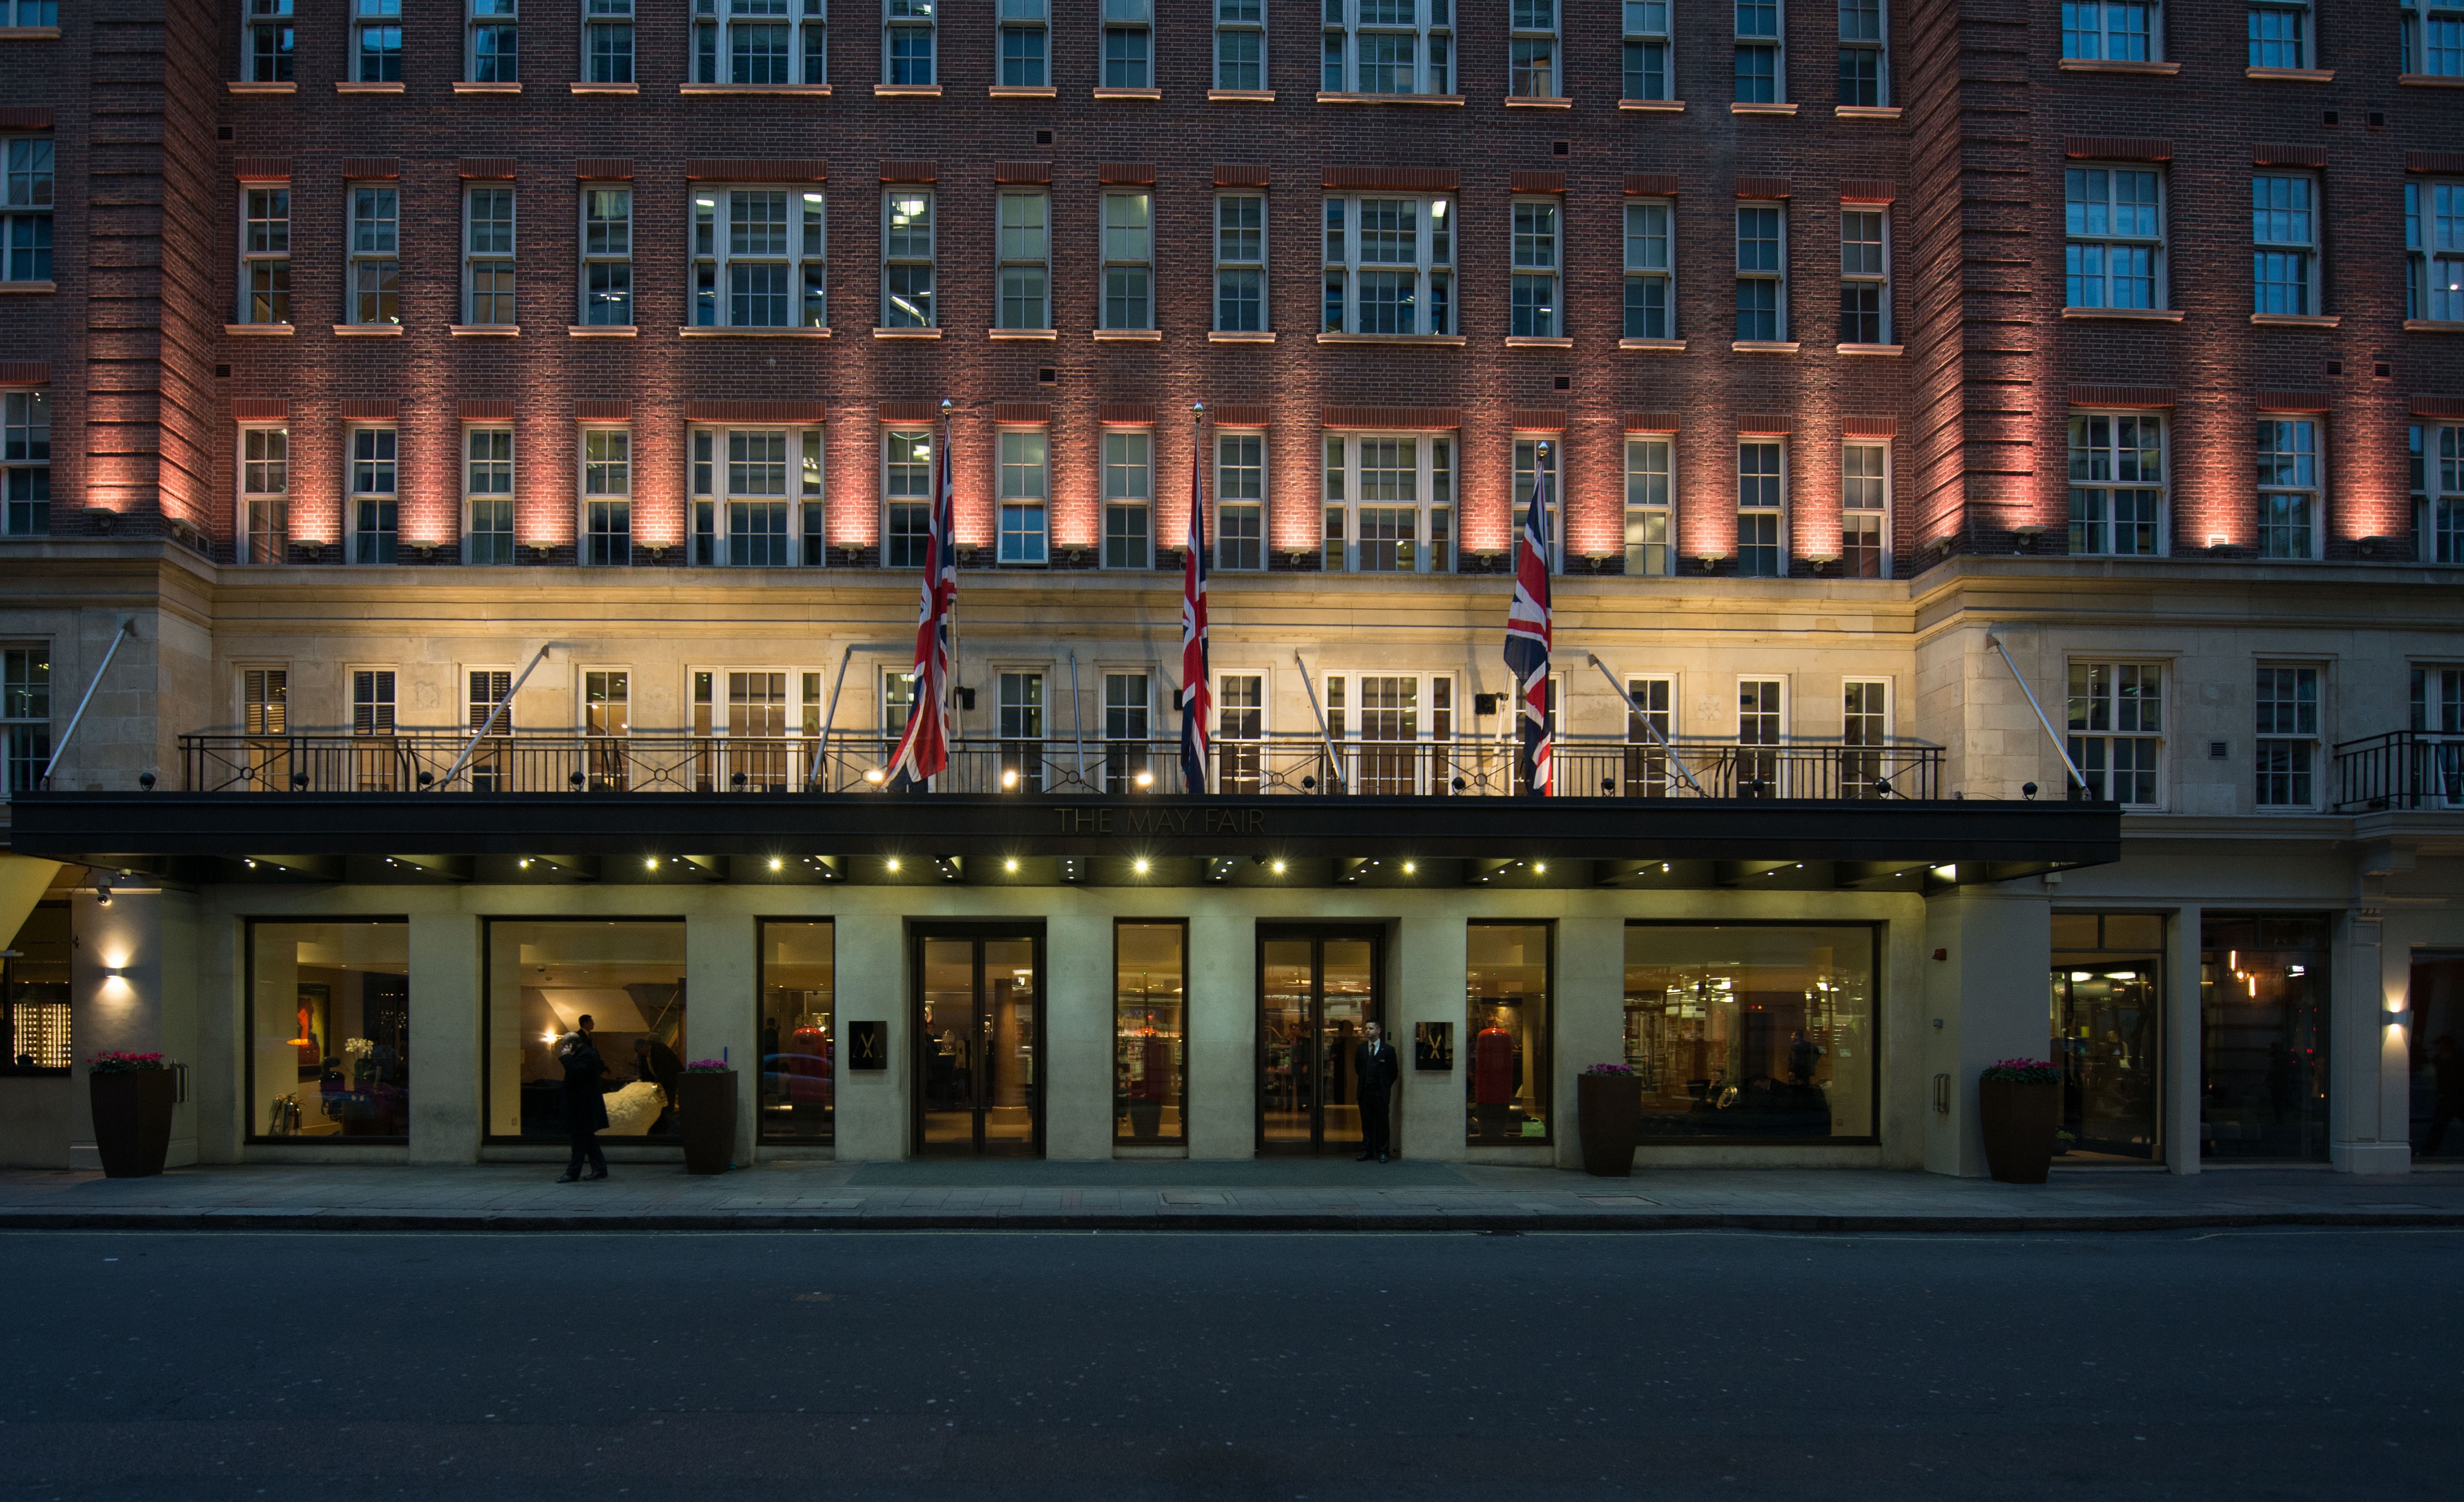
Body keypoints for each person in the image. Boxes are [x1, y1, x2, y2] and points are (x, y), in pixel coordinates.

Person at [557, 1014, 611, 1182]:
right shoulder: (586, 1053)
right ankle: (600, 1168)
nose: (564, 1049)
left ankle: (573, 1172)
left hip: (583, 1106)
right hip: (583, 1105)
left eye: (565, 1046)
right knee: (587, 1139)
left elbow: (576, 1072)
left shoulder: (586, 1055)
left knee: (580, 1140)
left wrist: (565, 1057)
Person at [1355, 1020, 1400, 1163]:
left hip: (1380, 1093)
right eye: (1367, 1028)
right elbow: (1358, 1068)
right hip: (1365, 1092)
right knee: (1366, 1122)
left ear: (1379, 1031)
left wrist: (1385, 1086)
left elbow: (1394, 1072)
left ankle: (1383, 1151)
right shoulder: (1361, 1049)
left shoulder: (1388, 1050)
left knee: (1382, 1123)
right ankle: (1367, 1151)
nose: (1368, 1031)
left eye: (1371, 1029)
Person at [2422, 1035, 2464, 1157]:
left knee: (2439, 1127)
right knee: (2438, 1127)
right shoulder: (2441, 1061)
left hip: (2453, 1097)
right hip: (2449, 1098)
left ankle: (2429, 1151)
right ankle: (2429, 1151)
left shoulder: (2446, 1061)